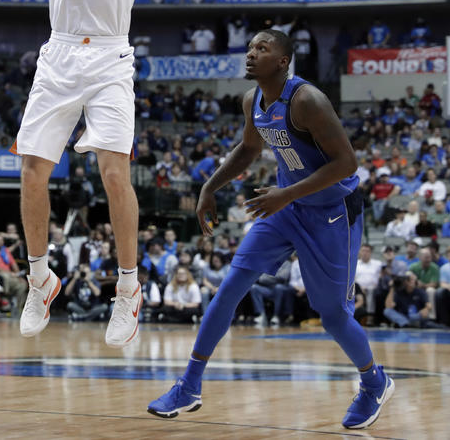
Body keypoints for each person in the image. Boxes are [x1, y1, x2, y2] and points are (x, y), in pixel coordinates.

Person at [148, 30, 392, 430]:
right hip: (287, 207)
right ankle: (189, 385)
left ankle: (374, 381)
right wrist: (210, 187)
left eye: (262, 48)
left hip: (332, 211)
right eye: (250, 47)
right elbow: (248, 149)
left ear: (283, 62)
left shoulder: (308, 100)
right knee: (230, 287)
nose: (251, 53)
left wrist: (285, 193)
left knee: (332, 316)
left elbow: (347, 163)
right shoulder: (253, 101)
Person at [8, 0, 151, 347]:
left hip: (111, 57)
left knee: (114, 173)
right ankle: (39, 277)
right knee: (31, 171)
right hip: (60, 51)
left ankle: (128, 289)